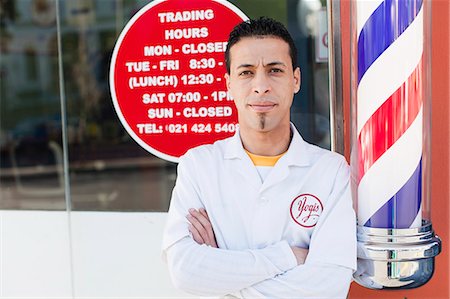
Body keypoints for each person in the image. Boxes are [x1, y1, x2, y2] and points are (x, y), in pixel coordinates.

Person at [162, 17, 356, 298]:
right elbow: (185, 272)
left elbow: (328, 288)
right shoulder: (199, 166)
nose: (260, 86)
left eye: (275, 70)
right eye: (246, 72)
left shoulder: (330, 171)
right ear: (228, 84)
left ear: (296, 80)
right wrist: (289, 256)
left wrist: (222, 271)